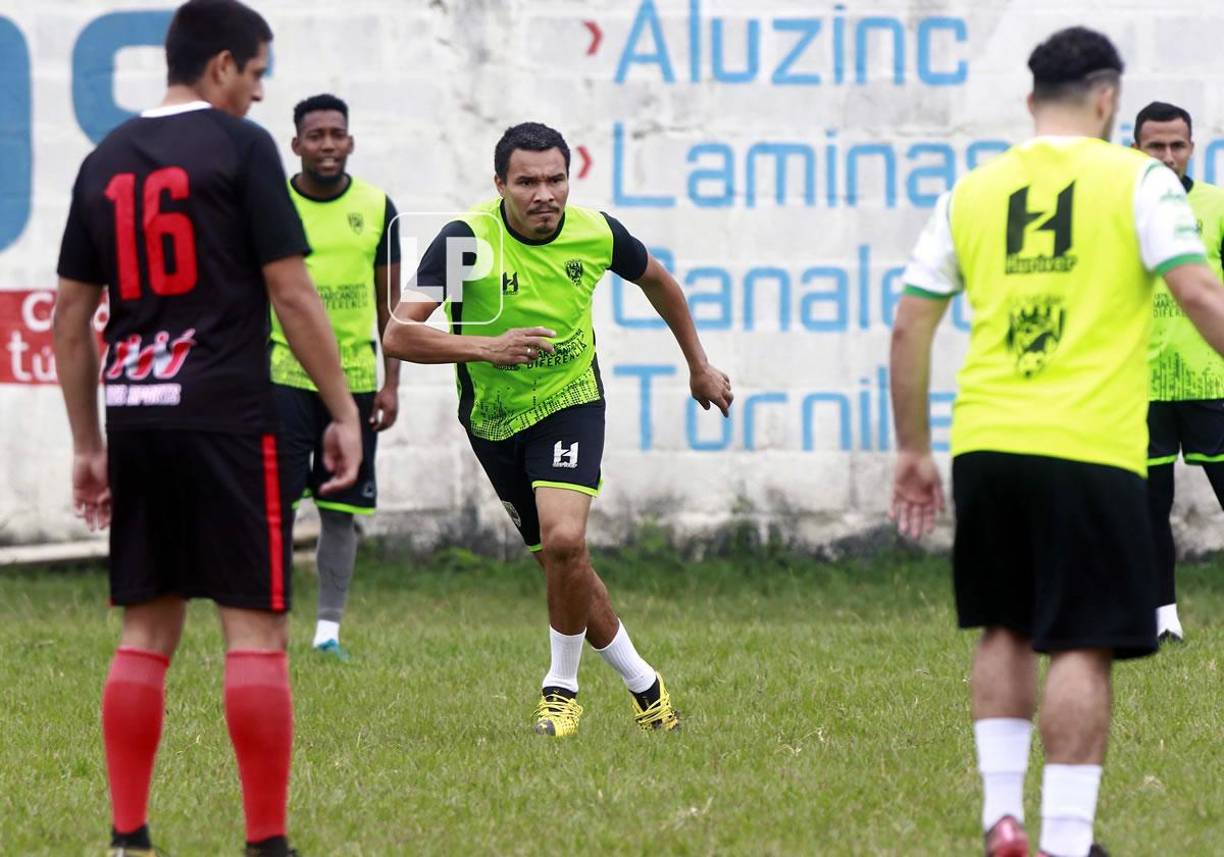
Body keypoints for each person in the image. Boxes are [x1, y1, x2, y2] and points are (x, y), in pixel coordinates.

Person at [889, 26, 1224, 857]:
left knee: (1002, 627)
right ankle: (1068, 842)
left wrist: (913, 451)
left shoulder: (973, 189)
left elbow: (909, 328)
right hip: (1091, 448)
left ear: (1031, 101)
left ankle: (1003, 817)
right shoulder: (1141, 180)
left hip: (989, 444)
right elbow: (1199, 294)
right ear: (1108, 99)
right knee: (1082, 640)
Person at [52, 2, 361, 854]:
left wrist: (89, 443)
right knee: (253, 628)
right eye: (258, 74)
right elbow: (293, 294)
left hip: (140, 421)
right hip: (229, 418)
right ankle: (265, 842)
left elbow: (70, 315)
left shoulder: (104, 160)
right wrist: (343, 410)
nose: (261, 95)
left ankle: (127, 837)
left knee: (146, 630)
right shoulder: (243, 149)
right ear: (221, 65)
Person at [383, 122, 732, 737]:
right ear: (500, 184)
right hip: (492, 419)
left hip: (572, 401)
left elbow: (661, 282)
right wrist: (487, 347)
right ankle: (646, 688)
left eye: (555, 179)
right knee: (561, 566)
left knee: (566, 542)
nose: (544, 194)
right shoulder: (469, 240)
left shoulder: (595, 233)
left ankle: (560, 692)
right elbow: (400, 333)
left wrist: (699, 367)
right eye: (527, 181)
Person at [272, 93, 401, 659]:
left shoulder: (377, 207)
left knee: (341, 509)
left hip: (354, 380)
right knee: (272, 507)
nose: (327, 144)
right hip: (281, 375)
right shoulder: (270, 204)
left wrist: (391, 383)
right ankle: (268, 632)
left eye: (336, 134)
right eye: (316, 135)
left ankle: (328, 634)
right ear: (296, 143)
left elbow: (391, 306)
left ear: (350, 142)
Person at [1132, 100, 1224, 643]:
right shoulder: (1119, 212)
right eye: (1156, 146)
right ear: (1135, 149)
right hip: (1143, 387)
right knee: (1149, 509)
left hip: (1211, 383)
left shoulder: (1216, 206)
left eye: (1177, 145)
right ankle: (1164, 621)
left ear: (1192, 147)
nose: (1168, 156)